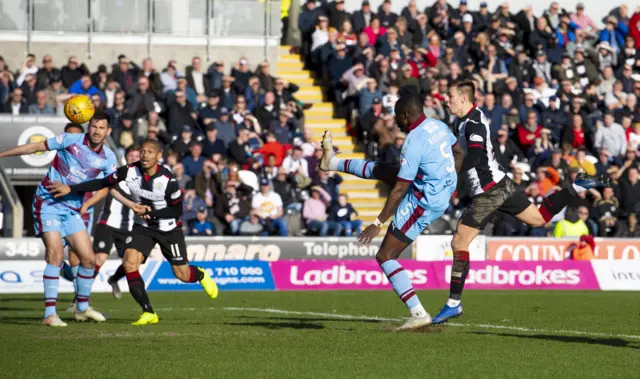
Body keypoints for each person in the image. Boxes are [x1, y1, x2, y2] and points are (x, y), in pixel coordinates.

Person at [431, 80, 611, 325]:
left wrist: (453, 174)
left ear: (464, 98)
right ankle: (578, 185)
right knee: (538, 218)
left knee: (458, 241)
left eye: (449, 95)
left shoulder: (473, 122)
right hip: (500, 183)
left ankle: (453, 303)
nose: (445, 99)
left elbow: (474, 153)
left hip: (488, 190)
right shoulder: (461, 121)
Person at [319, 94, 461, 330]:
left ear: (406, 115)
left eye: (397, 117)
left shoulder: (413, 142)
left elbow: (399, 190)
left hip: (423, 201)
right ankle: (331, 163)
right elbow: (459, 153)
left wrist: (378, 222)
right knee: (385, 170)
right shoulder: (439, 126)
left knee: (385, 255)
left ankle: (418, 313)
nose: (395, 122)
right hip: (438, 192)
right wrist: (449, 183)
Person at [47, 139, 219, 325]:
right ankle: (148, 312)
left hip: (169, 230)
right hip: (144, 228)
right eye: (143, 151)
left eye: (150, 152)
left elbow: (177, 210)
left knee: (182, 275)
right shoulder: (128, 171)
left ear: (159, 156)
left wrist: (151, 212)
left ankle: (200, 274)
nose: (145, 155)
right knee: (129, 263)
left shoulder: (168, 179)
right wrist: (71, 188)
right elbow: (103, 182)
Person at [0, 111, 120, 326]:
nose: (97, 131)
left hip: (72, 210)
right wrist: (2, 154)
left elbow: (106, 185)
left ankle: (82, 308)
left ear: (108, 131)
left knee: (89, 260)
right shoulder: (70, 140)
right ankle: (49, 314)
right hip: (48, 204)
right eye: (93, 126)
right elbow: (36, 147)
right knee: (55, 255)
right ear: (88, 126)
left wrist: (129, 204)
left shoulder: (109, 158)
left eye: (102, 128)